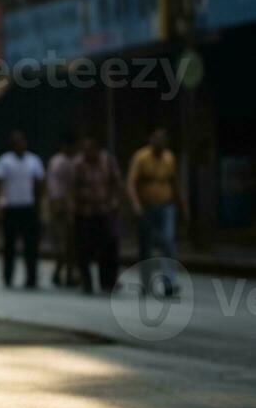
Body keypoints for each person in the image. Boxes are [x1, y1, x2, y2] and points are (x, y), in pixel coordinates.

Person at [127, 128, 188, 298]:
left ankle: (169, 282)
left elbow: (175, 182)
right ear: (151, 140)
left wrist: (183, 204)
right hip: (147, 207)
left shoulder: (169, 158)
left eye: (163, 140)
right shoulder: (141, 157)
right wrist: (136, 204)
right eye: (157, 140)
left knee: (168, 241)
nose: (160, 144)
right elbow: (131, 183)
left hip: (166, 205)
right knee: (146, 246)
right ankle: (146, 282)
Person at [0, 130, 45, 289]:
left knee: (31, 245)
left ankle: (31, 278)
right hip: (11, 208)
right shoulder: (4, 161)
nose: (20, 145)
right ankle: (8, 277)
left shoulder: (33, 161)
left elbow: (40, 182)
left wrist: (39, 204)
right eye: (16, 142)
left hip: (27, 207)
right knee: (9, 245)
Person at [70, 136, 123, 294]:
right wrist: (72, 208)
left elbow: (116, 182)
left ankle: (107, 281)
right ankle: (87, 282)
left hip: (104, 210)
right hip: (85, 212)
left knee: (108, 246)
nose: (87, 153)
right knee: (84, 248)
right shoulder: (78, 164)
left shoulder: (107, 161)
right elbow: (72, 187)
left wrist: (115, 202)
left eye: (90, 150)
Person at [46, 137, 78, 288]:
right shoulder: (62, 163)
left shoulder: (72, 161)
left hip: (68, 206)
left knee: (70, 243)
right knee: (64, 244)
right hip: (62, 206)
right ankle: (63, 273)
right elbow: (58, 187)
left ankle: (64, 273)